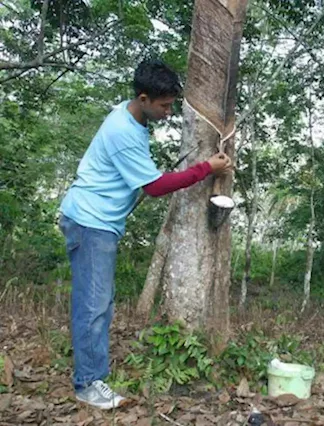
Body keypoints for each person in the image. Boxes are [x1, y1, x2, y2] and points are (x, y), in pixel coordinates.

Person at [58, 59, 233, 410]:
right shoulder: (123, 130)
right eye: (164, 106)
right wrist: (205, 169)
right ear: (143, 98)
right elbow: (153, 187)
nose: (168, 112)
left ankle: (91, 374)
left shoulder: (130, 117)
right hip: (91, 222)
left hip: (97, 221)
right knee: (93, 306)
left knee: (100, 303)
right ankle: (88, 384)